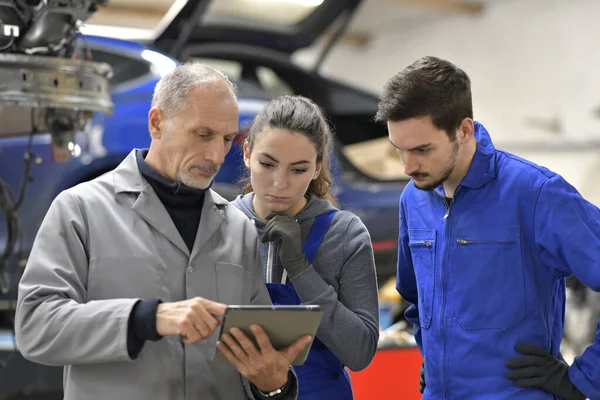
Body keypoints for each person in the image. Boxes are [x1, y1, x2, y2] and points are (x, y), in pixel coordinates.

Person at [14, 63, 312, 400]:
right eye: (203, 134)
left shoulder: (239, 229)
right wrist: (146, 318)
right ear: (157, 123)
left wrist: (273, 385)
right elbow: (35, 327)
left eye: (227, 139)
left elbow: (254, 354)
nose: (216, 154)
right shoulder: (81, 210)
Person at [376, 55, 600, 400]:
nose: (408, 166)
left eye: (422, 149)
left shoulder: (535, 194)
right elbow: (417, 300)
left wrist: (584, 379)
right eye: (399, 150)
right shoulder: (413, 198)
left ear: (463, 130)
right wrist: (438, 359)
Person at [231, 95, 380, 399]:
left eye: (297, 170)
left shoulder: (344, 234)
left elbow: (360, 352)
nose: (279, 183)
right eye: (267, 164)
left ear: (317, 167)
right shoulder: (221, 224)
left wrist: (300, 268)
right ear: (247, 153)